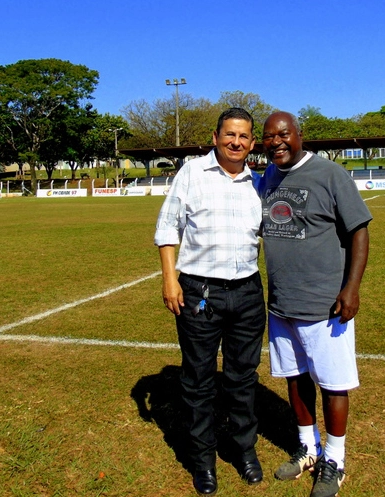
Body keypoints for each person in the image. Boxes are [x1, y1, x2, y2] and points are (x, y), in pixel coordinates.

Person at [258, 111, 372, 497]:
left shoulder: (329, 174)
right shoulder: (269, 177)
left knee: (333, 383)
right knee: (295, 377)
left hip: (324, 303)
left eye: (283, 134)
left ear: (299, 135)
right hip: (281, 304)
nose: (276, 142)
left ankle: (335, 460)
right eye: (269, 137)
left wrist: (351, 288)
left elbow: (358, 231)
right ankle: (308, 447)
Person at [154, 107, 266, 495]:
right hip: (200, 292)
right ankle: (203, 460)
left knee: (242, 378)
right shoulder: (192, 173)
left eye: (244, 137)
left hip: (248, 292)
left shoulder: (260, 181)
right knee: (199, 380)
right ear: (215, 137)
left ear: (252, 142)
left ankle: (244, 450)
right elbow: (168, 226)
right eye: (229, 135)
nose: (236, 142)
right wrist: (170, 280)